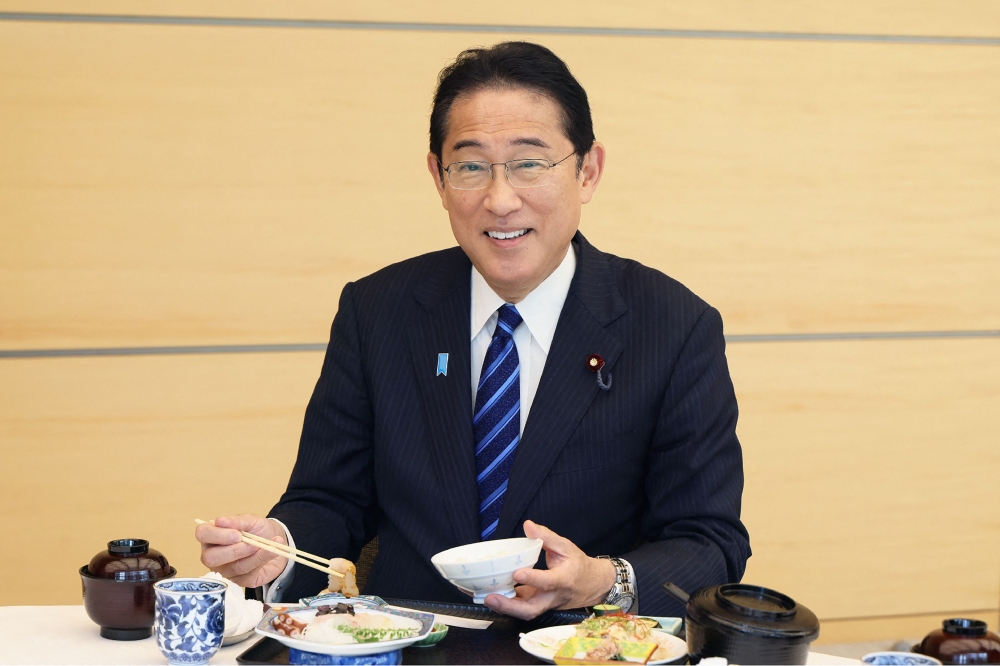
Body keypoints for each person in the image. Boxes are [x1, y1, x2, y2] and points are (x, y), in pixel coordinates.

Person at [196, 41, 750, 619]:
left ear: (588, 171)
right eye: (471, 165)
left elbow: (710, 542)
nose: (500, 199)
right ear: (439, 176)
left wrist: (601, 582)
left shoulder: (674, 326)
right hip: (407, 646)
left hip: (581, 649)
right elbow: (330, 500)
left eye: (529, 163)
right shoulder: (378, 311)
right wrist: (280, 551)